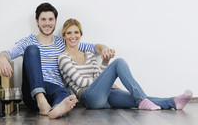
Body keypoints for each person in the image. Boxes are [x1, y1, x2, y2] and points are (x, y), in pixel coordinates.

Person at [0, 3, 115, 119]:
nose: (47, 23)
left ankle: (55, 110)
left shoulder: (62, 42)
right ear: (37, 21)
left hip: (54, 90)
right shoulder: (29, 41)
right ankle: (41, 100)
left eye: (50, 19)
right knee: (32, 50)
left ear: (55, 21)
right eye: (43, 19)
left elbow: (94, 47)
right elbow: (7, 53)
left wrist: (104, 49)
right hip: (32, 94)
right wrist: (2, 59)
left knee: (65, 94)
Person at [58, 18, 193, 110]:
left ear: (81, 34)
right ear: (64, 35)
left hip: (106, 94)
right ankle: (141, 99)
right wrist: (106, 81)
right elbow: (81, 82)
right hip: (89, 98)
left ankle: (174, 102)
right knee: (118, 62)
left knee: (136, 99)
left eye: (76, 32)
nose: (73, 36)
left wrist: (105, 64)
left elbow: (99, 74)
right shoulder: (63, 58)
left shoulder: (89, 54)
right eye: (69, 33)